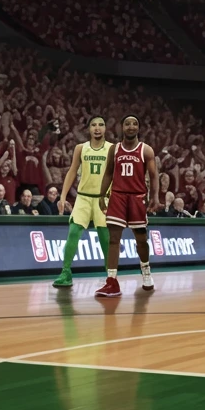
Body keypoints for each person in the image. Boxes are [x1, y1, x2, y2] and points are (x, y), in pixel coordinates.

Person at [96, 115, 159, 298]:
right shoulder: (114, 149)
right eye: (127, 123)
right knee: (114, 238)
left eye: (134, 124)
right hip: (118, 195)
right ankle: (112, 281)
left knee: (141, 238)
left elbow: (154, 176)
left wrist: (154, 197)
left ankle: (145, 269)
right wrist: (102, 195)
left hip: (137, 197)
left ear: (138, 128)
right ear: (121, 127)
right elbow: (108, 172)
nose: (131, 126)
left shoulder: (146, 150)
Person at [53, 115, 112, 289]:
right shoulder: (81, 148)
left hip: (104, 198)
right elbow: (72, 171)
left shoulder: (112, 149)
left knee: (105, 239)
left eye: (101, 124)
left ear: (105, 128)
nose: (97, 128)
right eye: (93, 124)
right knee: (73, 232)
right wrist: (63, 196)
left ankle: (111, 275)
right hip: (84, 197)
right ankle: (66, 272)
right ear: (89, 129)